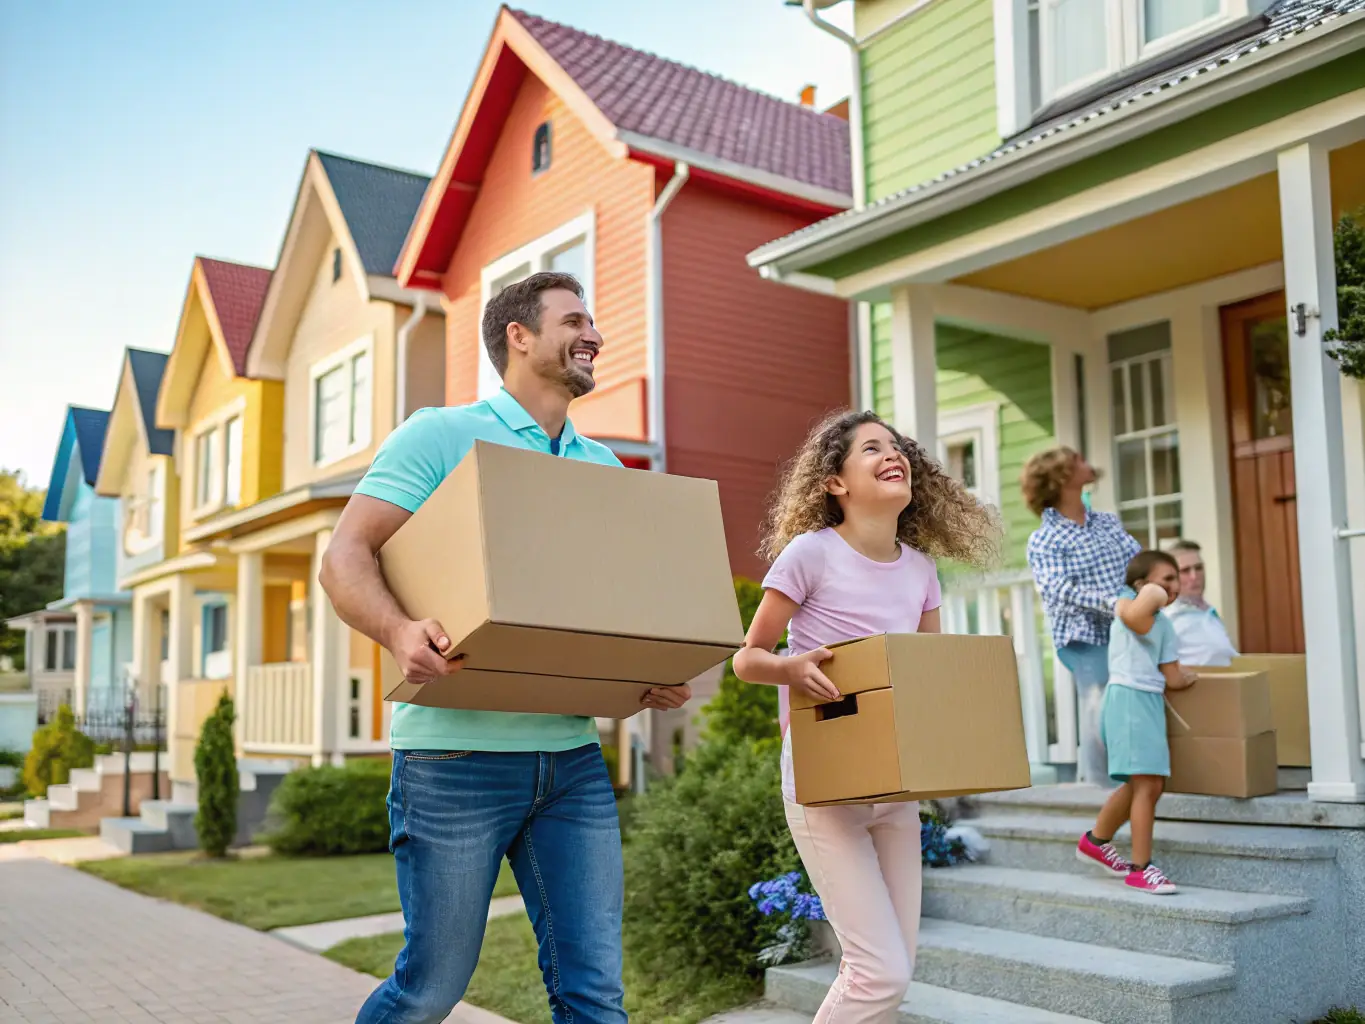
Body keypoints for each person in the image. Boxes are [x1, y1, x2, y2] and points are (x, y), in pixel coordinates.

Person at [319, 271, 692, 1024]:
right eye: (574, 320)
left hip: (571, 766)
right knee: (431, 989)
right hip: (452, 764)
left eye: (593, 321)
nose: (594, 334)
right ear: (517, 336)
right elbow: (343, 558)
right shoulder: (442, 434)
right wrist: (397, 630)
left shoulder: (603, 469)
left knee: (594, 995)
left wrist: (649, 676)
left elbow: (609, 612)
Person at [733, 410, 1000, 1021]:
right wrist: (792, 668)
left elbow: (925, 676)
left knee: (889, 971)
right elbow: (746, 660)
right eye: (872, 448)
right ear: (835, 482)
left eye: (899, 447)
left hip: (895, 788)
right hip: (826, 784)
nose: (893, 454)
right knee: (880, 972)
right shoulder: (811, 554)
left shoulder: (921, 571)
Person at [1076, 549, 1196, 894]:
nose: (1175, 586)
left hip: (1147, 704)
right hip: (1127, 700)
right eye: (1167, 578)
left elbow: (1172, 677)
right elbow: (1137, 619)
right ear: (1140, 584)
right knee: (1146, 784)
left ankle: (1096, 841)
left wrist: (1190, 678)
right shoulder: (1130, 605)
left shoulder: (1166, 625)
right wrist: (1151, 591)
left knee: (1146, 784)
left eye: (1177, 579)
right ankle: (1140, 869)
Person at [1023, 447, 1141, 787]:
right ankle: (1102, 789)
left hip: (1126, 626)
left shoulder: (1106, 522)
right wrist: (1112, 603)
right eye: (1077, 460)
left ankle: (1134, 780)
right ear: (1060, 477)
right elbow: (1056, 588)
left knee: (1130, 700)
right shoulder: (1045, 538)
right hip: (1082, 634)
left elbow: (1137, 561)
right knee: (1098, 703)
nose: (1087, 463)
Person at [1164, 539, 1238, 667]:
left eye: (1198, 568)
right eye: (1185, 571)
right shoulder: (1168, 619)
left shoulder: (1208, 612)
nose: (1194, 576)